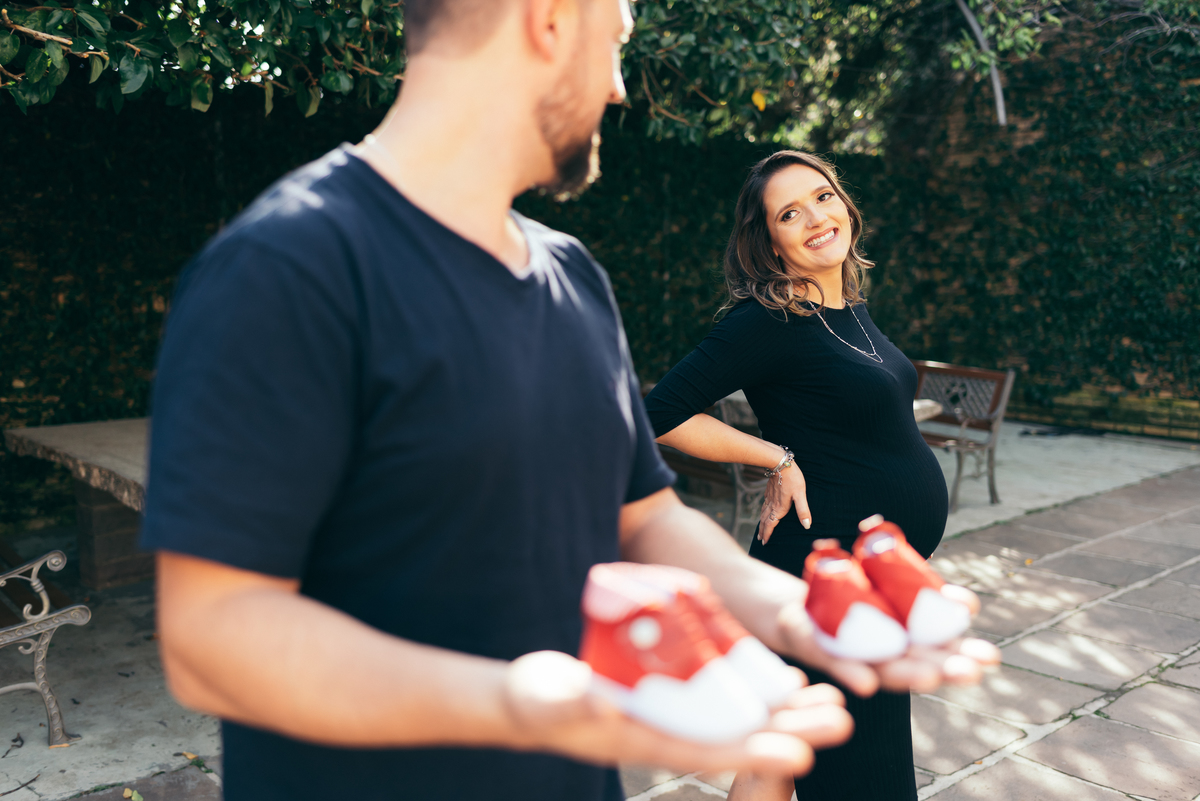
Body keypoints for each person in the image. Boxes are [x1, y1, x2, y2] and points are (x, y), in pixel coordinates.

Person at [143, 2, 999, 799]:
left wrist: (795, 610)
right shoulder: (284, 268)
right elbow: (211, 641)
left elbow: (643, 516)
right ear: (550, 20)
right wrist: (528, 704)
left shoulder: (571, 277)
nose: (620, 87)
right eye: (617, 43)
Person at [644, 150, 980, 801]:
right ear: (768, 240)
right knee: (860, 772)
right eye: (789, 213)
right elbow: (652, 414)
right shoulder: (767, 320)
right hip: (822, 574)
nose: (816, 218)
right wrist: (775, 456)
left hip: (862, 576)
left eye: (823, 196)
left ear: (846, 204)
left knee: (781, 749)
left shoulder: (847, 306)